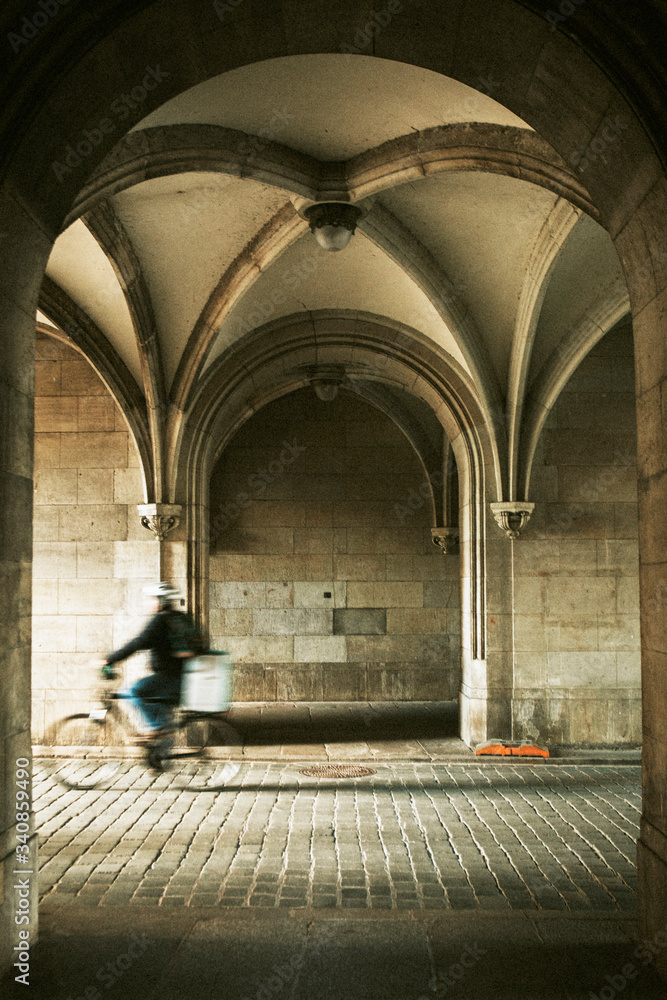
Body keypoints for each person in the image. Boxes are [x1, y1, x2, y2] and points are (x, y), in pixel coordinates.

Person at [101, 582, 204, 738]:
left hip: (170, 678)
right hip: (185, 676)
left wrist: (110, 659)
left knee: (132, 691)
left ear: (161, 600)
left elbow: (139, 643)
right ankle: (160, 753)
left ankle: (155, 727)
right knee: (161, 715)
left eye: (151, 599)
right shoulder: (180, 617)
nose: (147, 602)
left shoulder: (160, 621)